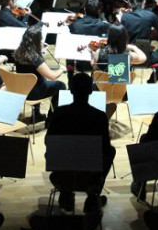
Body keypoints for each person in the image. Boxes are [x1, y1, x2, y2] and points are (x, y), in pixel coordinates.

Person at [46, 73, 116, 213]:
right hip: (90, 175)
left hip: (62, 175)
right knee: (111, 151)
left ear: (70, 90)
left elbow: (48, 141)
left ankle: (66, 193)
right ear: (91, 90)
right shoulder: (100, 116)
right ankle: (93, 195)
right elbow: (106, 148)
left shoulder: (59, 113)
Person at [13, 25, 67, 122]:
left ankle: (36, 114)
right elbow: (52, 76)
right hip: (35, 93)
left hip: (22, 90)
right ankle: (51, 119)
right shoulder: (35, 58)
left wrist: (40, 51)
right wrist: (61, 69)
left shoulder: (18, 52)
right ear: (37, 40)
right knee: (61, 85)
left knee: (38, 80)